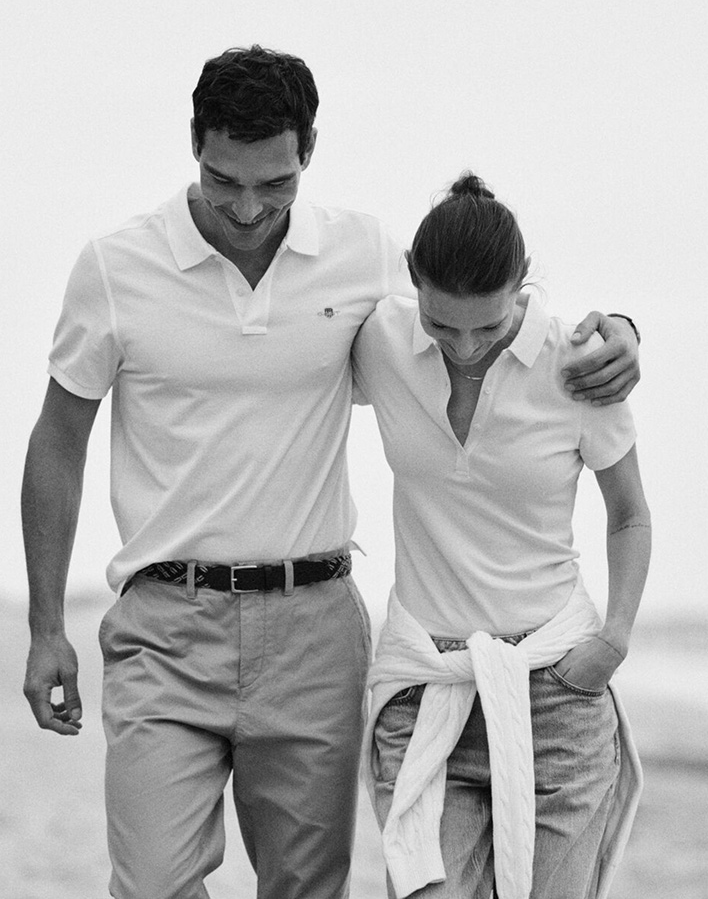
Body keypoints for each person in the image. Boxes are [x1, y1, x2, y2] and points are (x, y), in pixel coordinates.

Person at [22, 46, 641, 899]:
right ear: (192, 144)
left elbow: (484, 312)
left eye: (274, 184)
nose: (246, 208)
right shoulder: (115, 269)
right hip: (164, 622)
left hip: (313, 628)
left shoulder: (364, 257)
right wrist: (46, 624)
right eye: (222, 179)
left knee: (307, 888)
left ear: (308, 151)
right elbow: (57, 442)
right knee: (153, 883)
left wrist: (617, 329)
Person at [353, 173, 651, 899]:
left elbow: (630, 514)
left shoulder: (577, 365)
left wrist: (613, 637)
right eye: (441, 322)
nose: (462, 344)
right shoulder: (380, 338)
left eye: (486, 326)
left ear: (522, 285)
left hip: (556, 692)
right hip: (428, 688)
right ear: (412, 285)